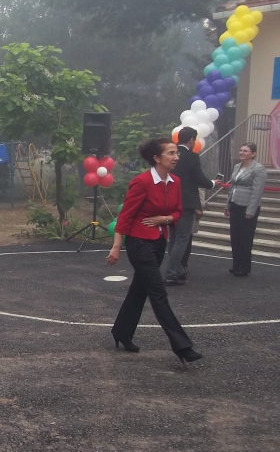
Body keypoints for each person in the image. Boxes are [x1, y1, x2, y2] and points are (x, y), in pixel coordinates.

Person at [106, 138, 202, 364]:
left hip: (159, 241)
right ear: (157, 158)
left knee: (139, 290)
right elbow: (126, 217)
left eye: (176, 153)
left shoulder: (175, 181)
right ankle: (182, 346)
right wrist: (117, 246)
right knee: (158, 293)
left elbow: (178, 212)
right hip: (139, 243)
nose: (176, 157)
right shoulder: (141, 182)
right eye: (171, 153)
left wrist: (165, 218)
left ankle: (121, 332)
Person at [163, 127, 220, 286]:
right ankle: (172, 272)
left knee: (174, 238)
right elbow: (200, 179)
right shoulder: (192, 157)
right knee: (182, 239)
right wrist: (213, 183)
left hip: (170, 201)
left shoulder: (169, 155)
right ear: (191, 140)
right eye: (194, 140)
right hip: (186, 203)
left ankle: (175, 269)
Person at [225, 142, 267, 277]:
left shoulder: (258, 169)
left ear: (253, 154)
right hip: (235, 204)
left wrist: (251, 210)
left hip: (247, 206)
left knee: (245, 237)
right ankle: (236, 264)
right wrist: (228, 205)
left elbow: (257, 191)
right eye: (241, 150)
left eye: (245, 151)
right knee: (235, 236)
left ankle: (244, 267)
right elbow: (232, 186)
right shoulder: (237, 166)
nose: (242, 153)